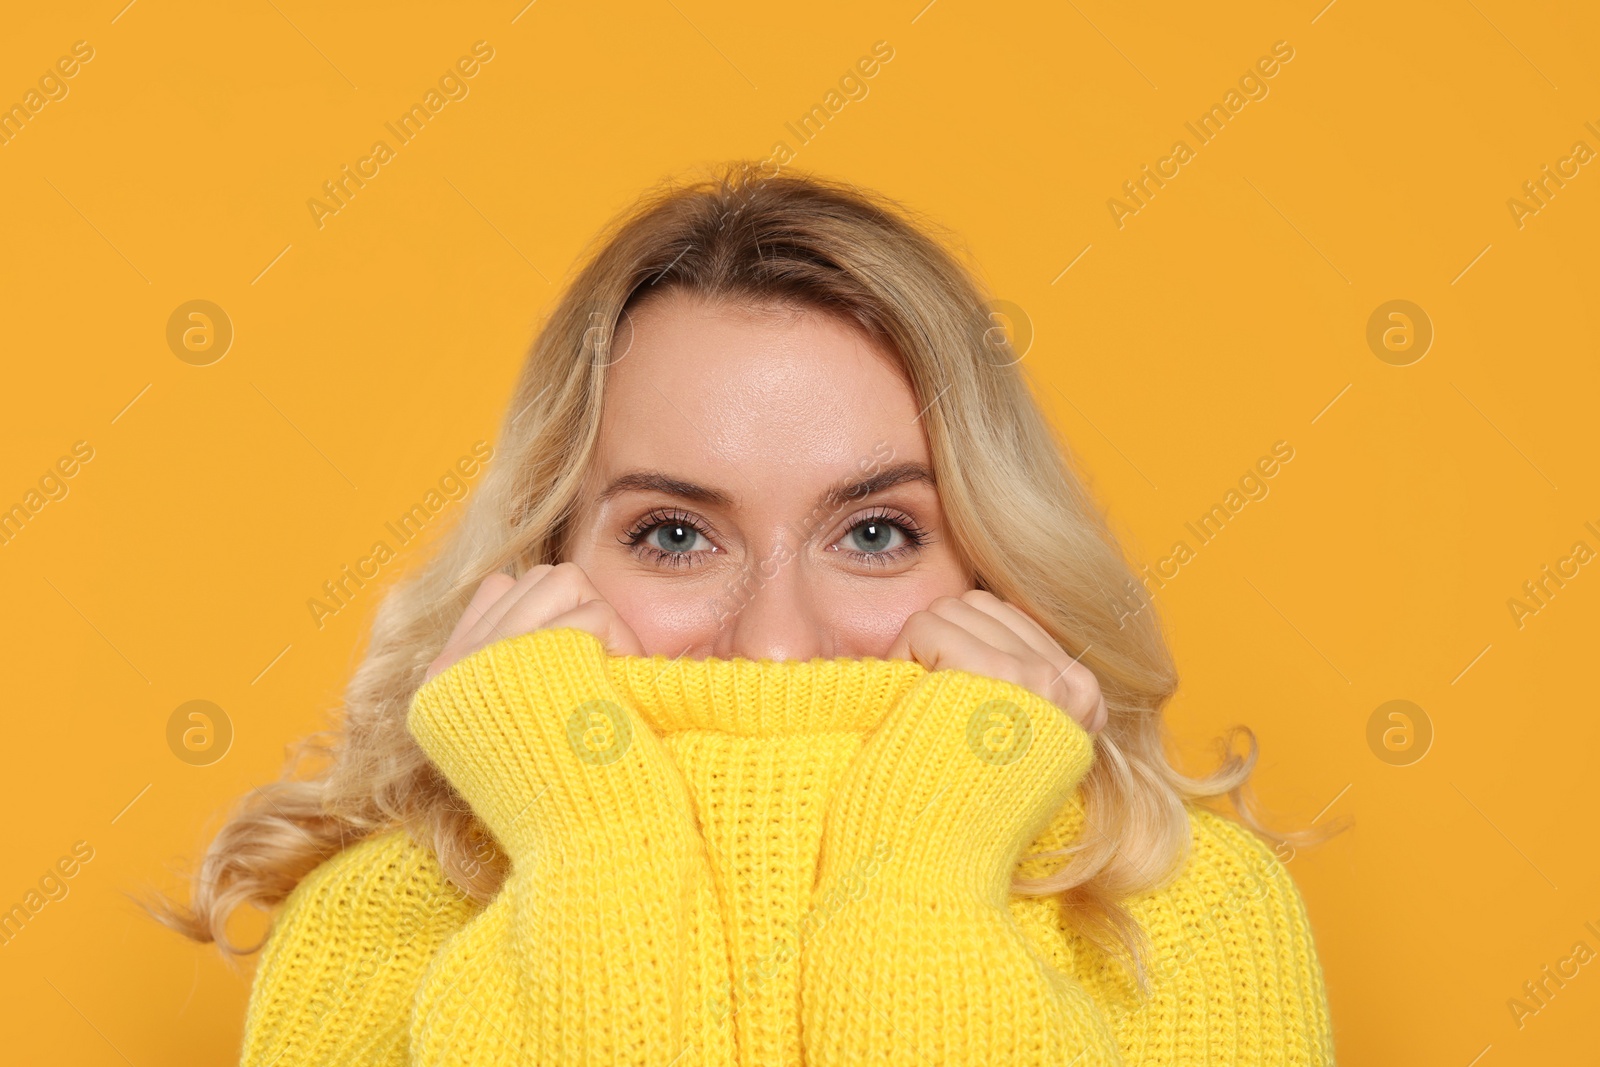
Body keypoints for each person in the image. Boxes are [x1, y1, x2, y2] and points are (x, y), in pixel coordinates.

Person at [140, 161, 1342, 1065]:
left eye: (875, 533)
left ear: (991, 563)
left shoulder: (1181, 906)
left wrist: (922, 865)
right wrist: (589, 838)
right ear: (549, 559)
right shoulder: (384, 918)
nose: (777, 642)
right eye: (674, 535)